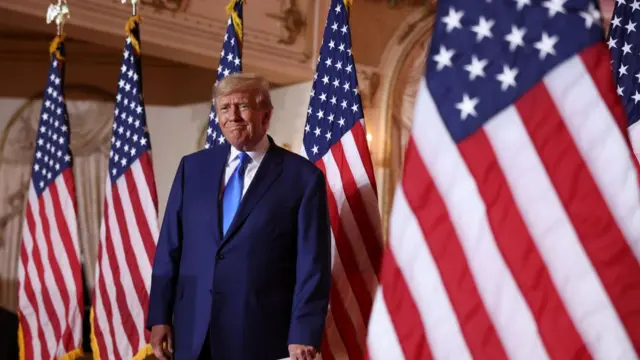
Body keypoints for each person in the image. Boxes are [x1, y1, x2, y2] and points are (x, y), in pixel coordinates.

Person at [146, 73, 332, 360]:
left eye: (242, 106)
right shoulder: (192, 168)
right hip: (194, 330)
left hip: (261, 334)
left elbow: (312, 264)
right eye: (224, 108)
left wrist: (303, 332)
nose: (232, 116)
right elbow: (170, 246)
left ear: (266, 115)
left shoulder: (303, 178)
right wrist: (160, 315)